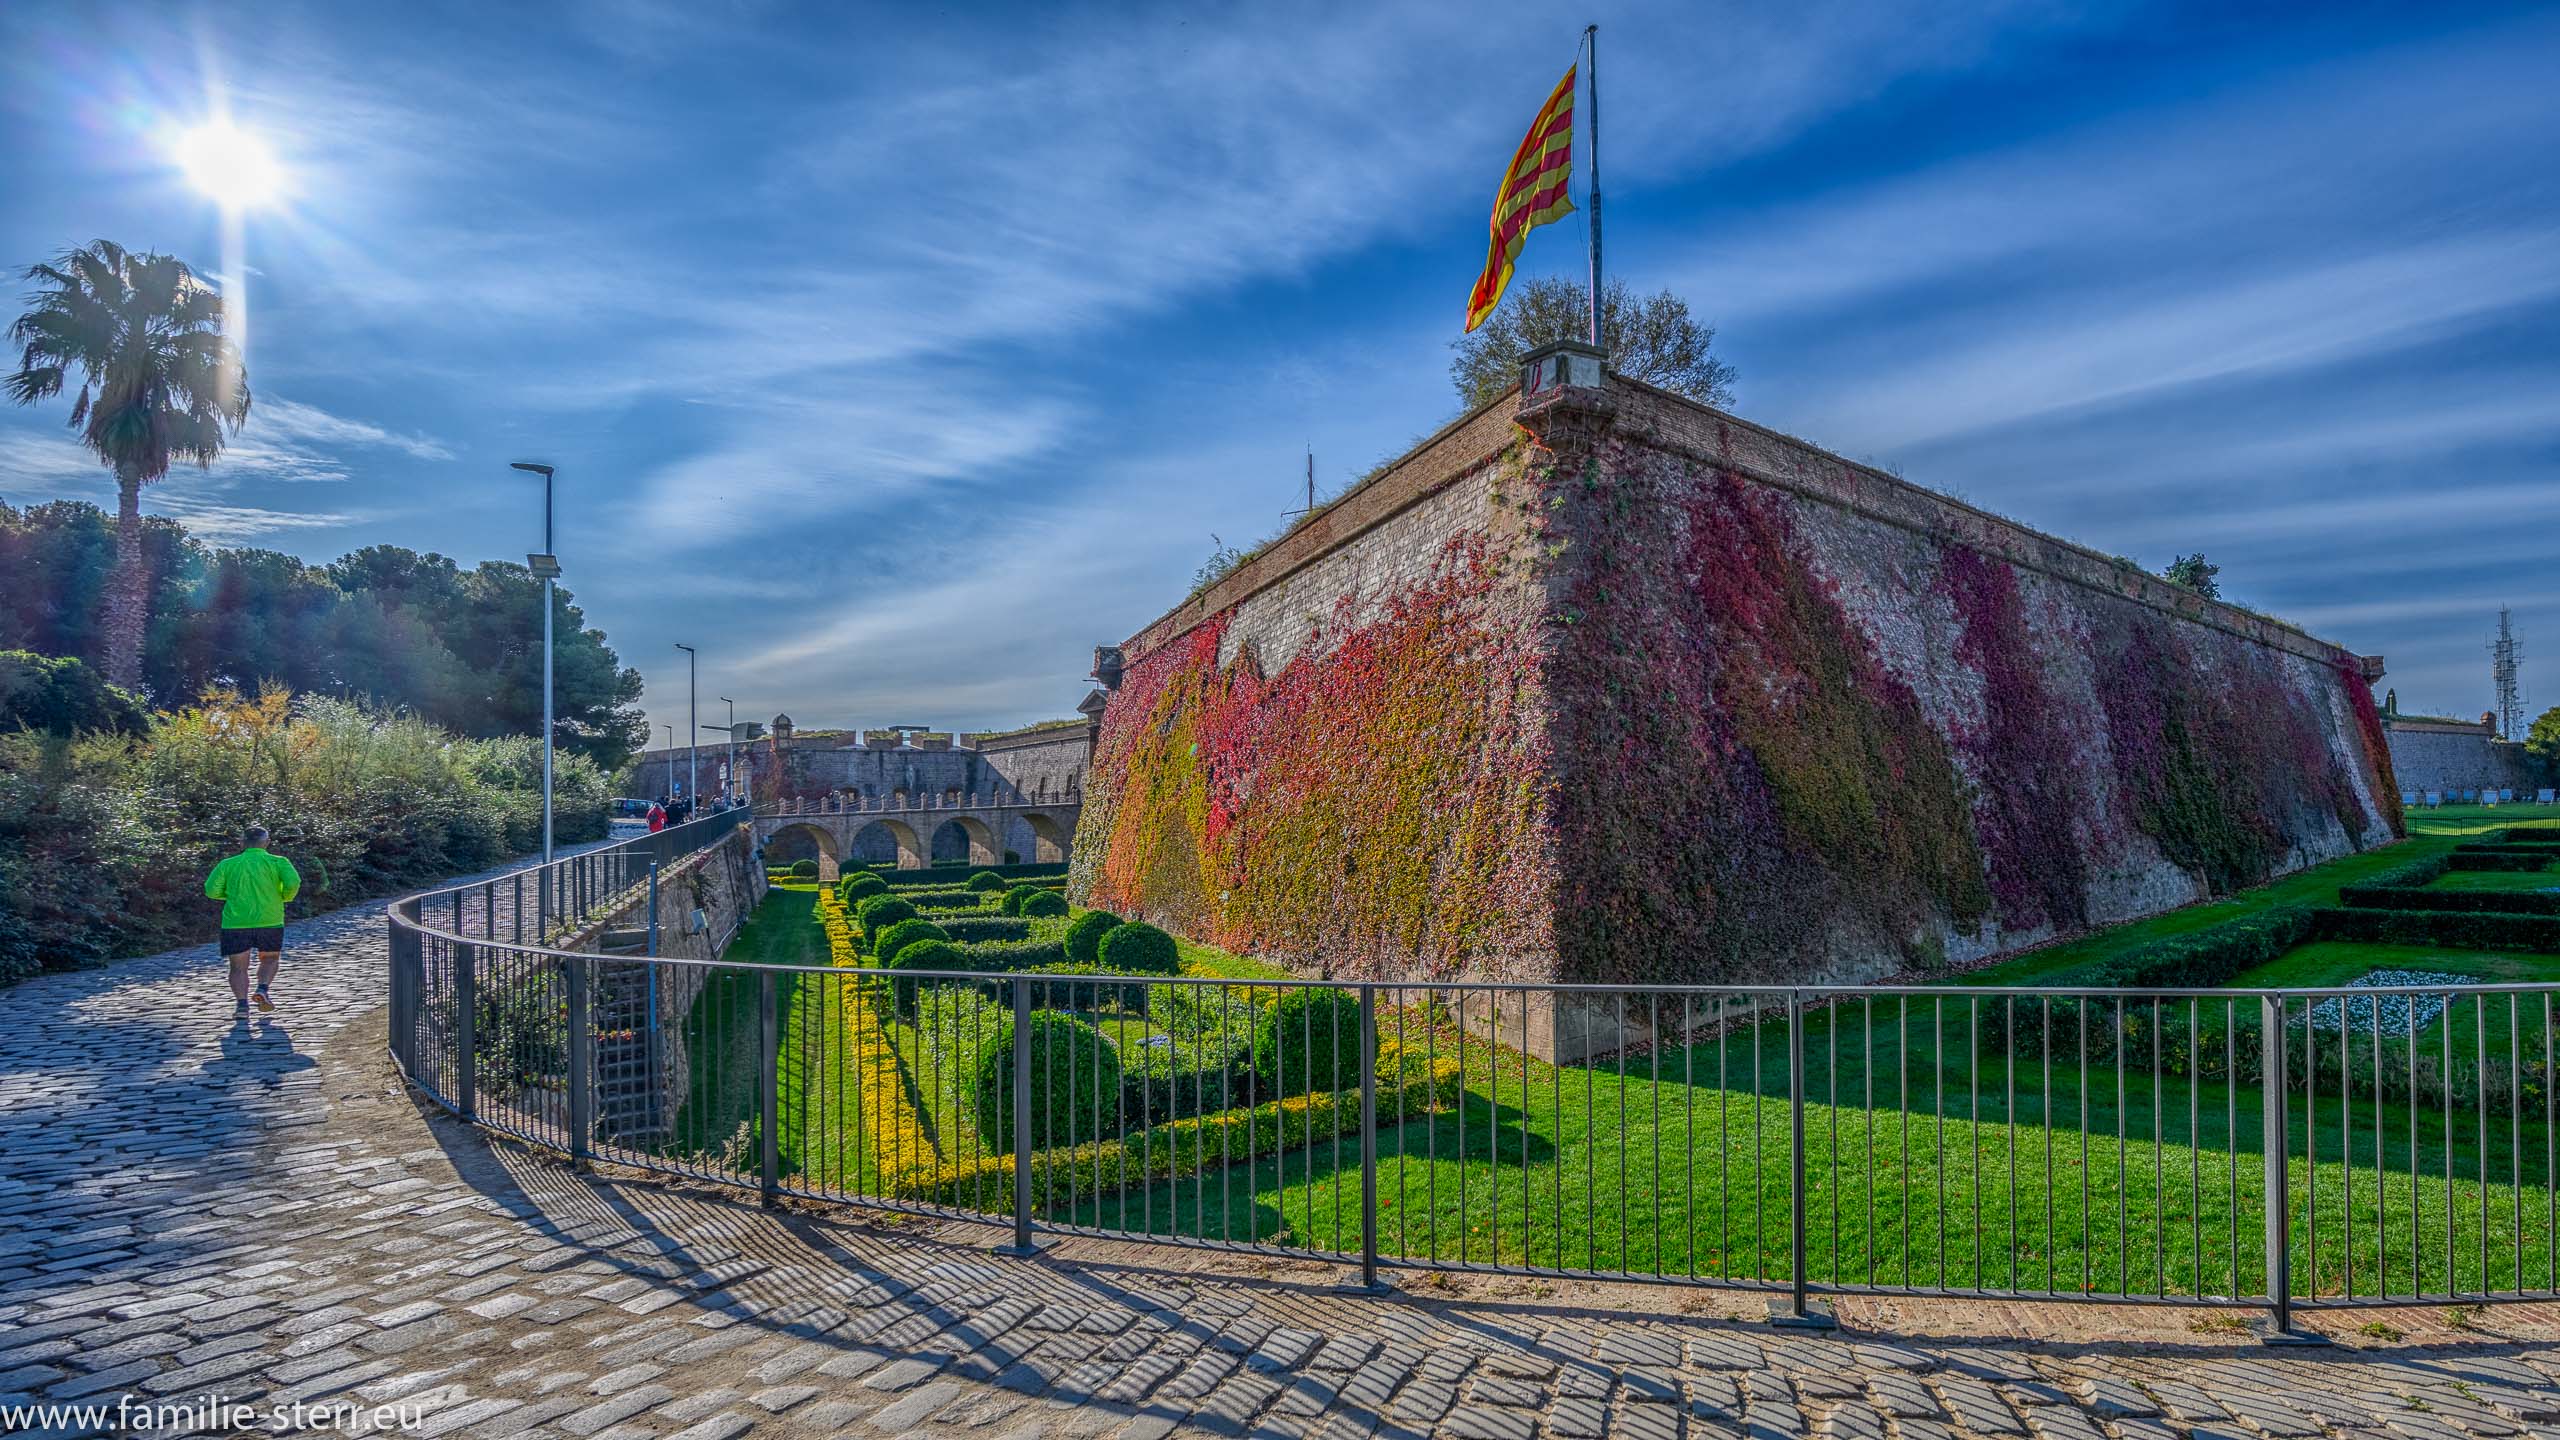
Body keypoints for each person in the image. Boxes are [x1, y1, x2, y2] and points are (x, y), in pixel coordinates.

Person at [205, 825, 301, 1015]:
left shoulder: (228, 864)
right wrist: (284, 896)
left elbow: (210, 890)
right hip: (270, 919)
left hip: (235, 921)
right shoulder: (278, 862)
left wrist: (229, 895)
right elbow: (293, 883)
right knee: (270, 958)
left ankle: (241, 1005)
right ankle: (262, 988)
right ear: (267, 842)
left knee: (238, 967)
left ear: (242, 843)